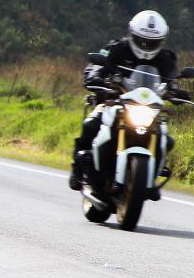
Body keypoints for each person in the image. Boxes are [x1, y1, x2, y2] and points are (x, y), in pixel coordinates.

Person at [68, 10, 187, 191]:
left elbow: (172, 79)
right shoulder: (116, 48)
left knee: (167, 140)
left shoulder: (166, 58)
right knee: (91, 124)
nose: (146, 45)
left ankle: (151, 176)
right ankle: (77, 169)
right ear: (132, 34)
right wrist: (94, 76)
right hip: (113, 102)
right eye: (142, 40)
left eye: (152, 42)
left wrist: (177, 92)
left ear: (162, 41)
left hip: (148, 108)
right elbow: (96, 65)